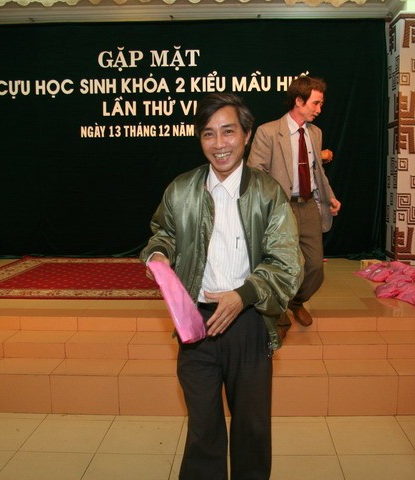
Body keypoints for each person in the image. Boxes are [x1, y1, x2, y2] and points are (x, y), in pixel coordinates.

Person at [141, 93, 303, 480]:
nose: (219, 144)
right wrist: (158, 255)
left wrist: (243, 295)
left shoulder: (268, 193)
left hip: (249, 323)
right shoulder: (181, 189)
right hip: (195, 325)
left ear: (246, 134)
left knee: (252, 428)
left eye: (228, 132)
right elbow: (163, 233)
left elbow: (287, 263)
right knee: (203, 429)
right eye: (208, 134)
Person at [248, 75, 341, 329]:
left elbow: (317, 172)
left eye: (321, 104)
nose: (319, 110)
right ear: (299, 101)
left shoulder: (315, 133)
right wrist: (270, 207)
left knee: (315, 267)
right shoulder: (268, 132)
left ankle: (296, 302)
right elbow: (255, 174)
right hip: (281, 208)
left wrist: (330, 196)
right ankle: (277, 311)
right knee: (283, 266)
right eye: (316, 103)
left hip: (309, 205)